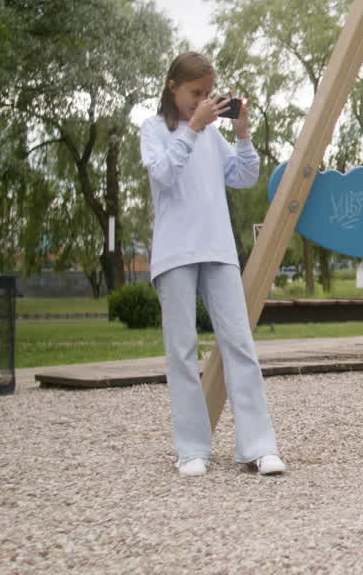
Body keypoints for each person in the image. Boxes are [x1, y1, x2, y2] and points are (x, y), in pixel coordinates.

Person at [140, 51, 286, 478]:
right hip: (175, 252)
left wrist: (241, 136)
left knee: (240, 344)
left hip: (219, 250)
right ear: (173, 87)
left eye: (207, 93)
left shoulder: (211, 134)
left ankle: (259, 447)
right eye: (194, 93)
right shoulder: (153, 129)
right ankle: (191, 449)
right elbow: (163, 175)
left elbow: (243, 177)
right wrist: (194, 128)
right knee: (181, 351)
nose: (202, 100)